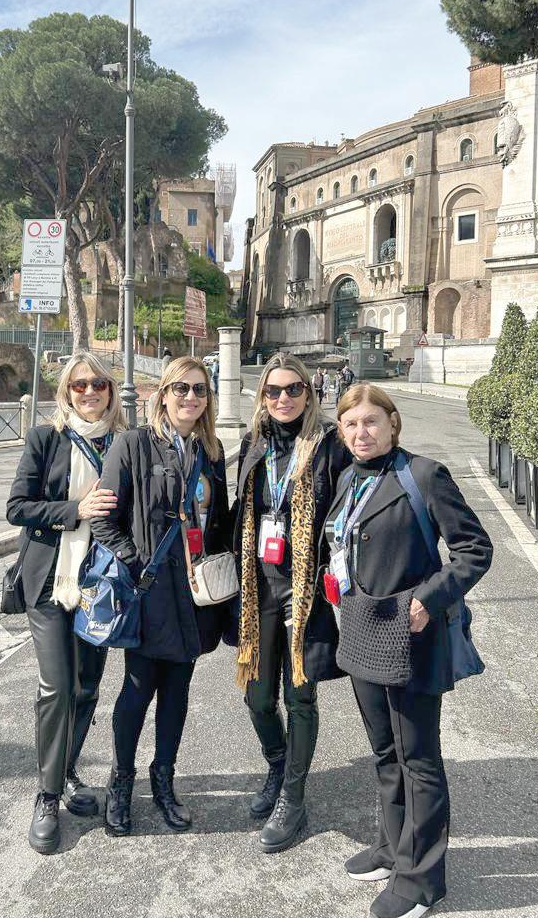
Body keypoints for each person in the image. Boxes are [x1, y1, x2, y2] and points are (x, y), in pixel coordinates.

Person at [327, 383, 492, 918]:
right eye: (351, 425)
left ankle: (421, 880)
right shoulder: (349, 477)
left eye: (371, 422)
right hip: (361, 630)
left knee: (417, 758)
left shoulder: (422, 475)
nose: (361, 433)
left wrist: (426, 600)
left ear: (393, 424)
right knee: (383, 750)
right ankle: (391, 847)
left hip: (411, 634)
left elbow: (474, 550)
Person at [91, 357, 231, 837]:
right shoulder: (132, 444)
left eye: (200, 389)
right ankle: (121, 783)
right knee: (136, 690)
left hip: (194, 595)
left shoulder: (211, 452)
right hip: (149, 592)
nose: (191, 397)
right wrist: (134, 563)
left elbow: (220, 522)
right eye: (181, 388)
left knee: (178, 691)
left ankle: (164, 780)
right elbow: (102, 518)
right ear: (163, 395)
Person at [6, 351, 126, 854]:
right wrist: (75, 510)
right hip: (51, 581)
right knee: (57, 687)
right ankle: (47, 796)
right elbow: (18, 507)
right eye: (79, 385)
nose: (89, 392)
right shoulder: (44, 438)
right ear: (66, 391)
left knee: (86, 688)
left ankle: (70, 769)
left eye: (98, 383)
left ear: (111, 391)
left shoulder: (126, 442)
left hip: (100, 585)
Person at [232, 353, 349, 853]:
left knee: (300, 695)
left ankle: (294, 799)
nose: (283, 399)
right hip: (259, 587)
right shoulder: (252, 445)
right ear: (263, 395)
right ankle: (279, 765)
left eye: (293, 389)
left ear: (310, 392)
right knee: (258, 696)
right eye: (274, 391)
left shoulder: (329, 445)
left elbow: (350, 506)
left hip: (306, 590)